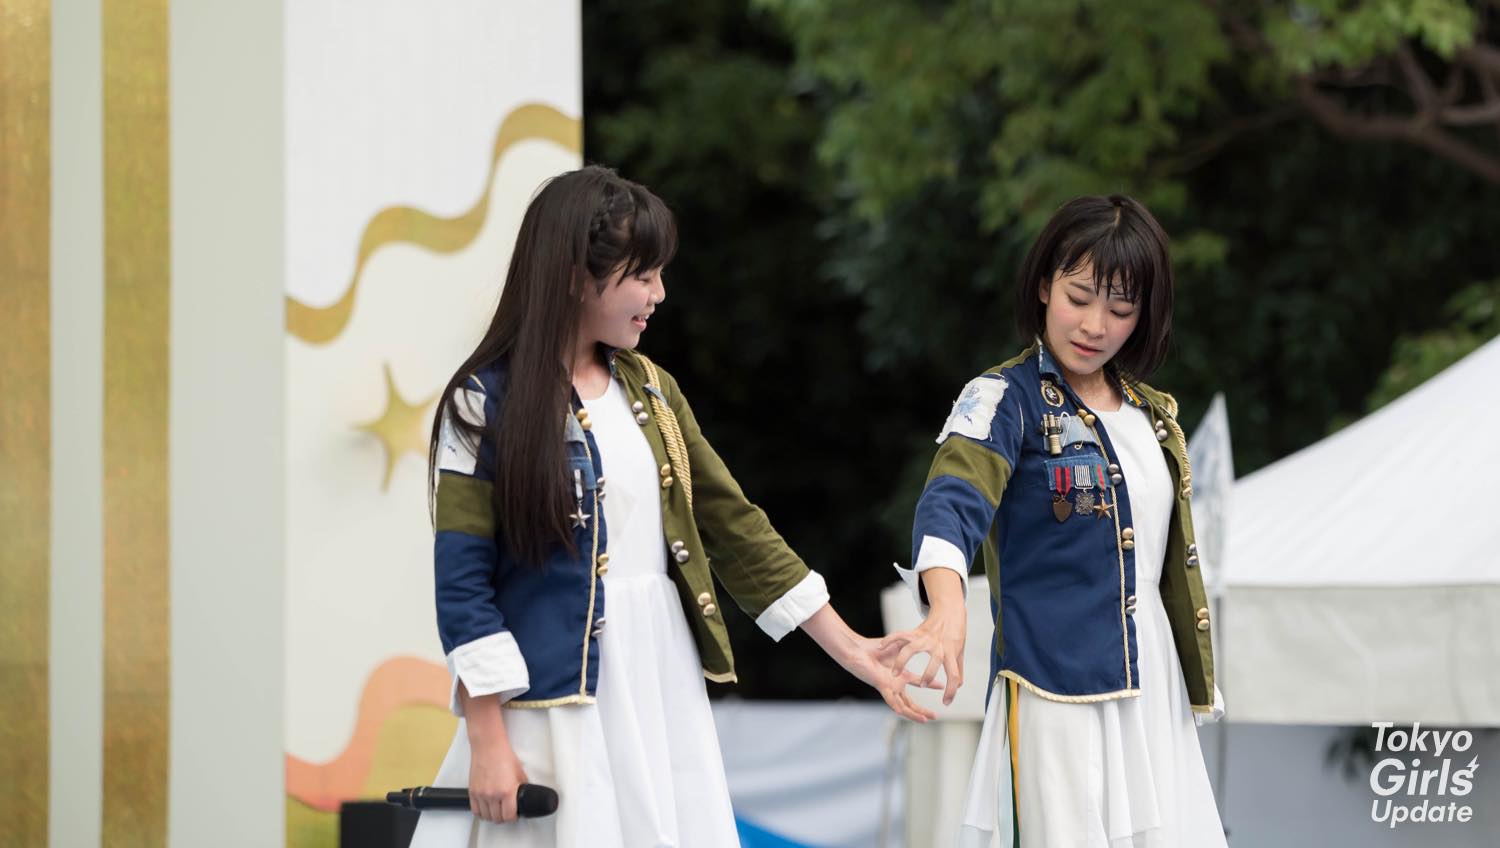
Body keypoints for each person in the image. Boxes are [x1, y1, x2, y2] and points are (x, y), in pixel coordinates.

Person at [409, 165, 931, 848]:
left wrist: (853, 648)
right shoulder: (483, 402)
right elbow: (462, 584)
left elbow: (735, 526)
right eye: (643, 275)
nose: (659, 294)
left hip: (659, 685)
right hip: (550, 703)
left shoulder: (651, 392)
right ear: (575, 276)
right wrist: (487, 739)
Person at [884, 195, 1226, 847]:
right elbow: (950, 501)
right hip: (1054, 688)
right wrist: (946, 607)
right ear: (1044, 285)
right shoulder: (1002, 397)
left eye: (1120, 309)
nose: (1095, 324)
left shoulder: (1153, 414)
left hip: (1152, 681)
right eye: (1079, 297)